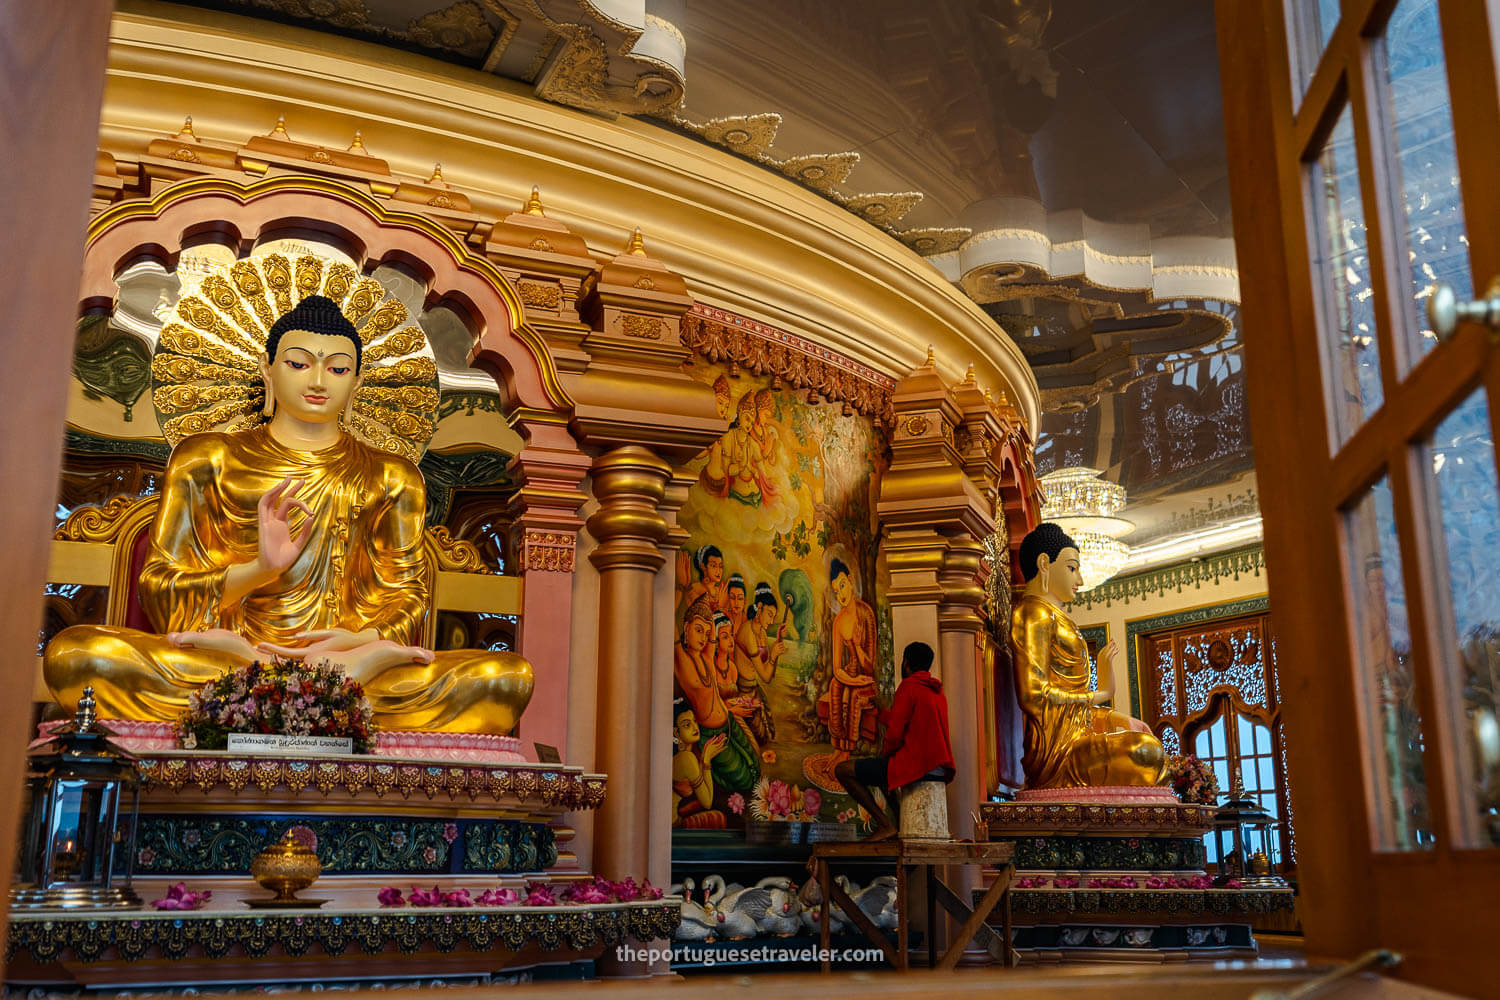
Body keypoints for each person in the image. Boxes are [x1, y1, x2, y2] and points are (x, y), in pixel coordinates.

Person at [43, 295, 533, 734]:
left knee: (503, 680)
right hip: (224, 657)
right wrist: (261, 569)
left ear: (359, 381)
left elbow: (404, 598)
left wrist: (359, 640)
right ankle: (298, 692)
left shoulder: (391, 476)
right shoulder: (207, 459)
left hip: (348, 661)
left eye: (339, 369)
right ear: (267, 367)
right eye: (299, 364)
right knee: (78, 657)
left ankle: (314, 689)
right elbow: (161, 593)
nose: (319, 381)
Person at [1011, 522, 1165, 787]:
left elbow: (1076, 711)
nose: (1080, 580)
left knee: (1150, 748)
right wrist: (1101, 694)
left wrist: (1119, 718)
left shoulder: (1059, 618)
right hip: (1056, 751)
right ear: (1044, 563)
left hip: (1077, 737)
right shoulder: (1033, 613)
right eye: (1072, 568)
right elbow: (1034, 696)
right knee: (1145, 753)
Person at [834, 641, 954, 842]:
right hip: (937, 765)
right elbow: (910, 723)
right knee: (884, 772)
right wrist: (882, 713)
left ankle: (885, 824)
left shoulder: (908, 687)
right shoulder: (936, 692)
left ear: (906, 663)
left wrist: (885, 755)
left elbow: (896, 734)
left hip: (918, 765)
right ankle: (899, 824)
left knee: (843, 770)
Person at [673, 596, 760, 792]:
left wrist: (713, 610)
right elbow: (674, 634)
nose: (703, 637)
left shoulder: (705, 657)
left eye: (706, 632)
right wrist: (678, 592)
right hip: (711, 733)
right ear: (686, 629)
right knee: (746, 781)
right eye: (698, 630)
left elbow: (712, 637)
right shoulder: (683, 662)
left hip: (728, 721)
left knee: (755, 763)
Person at [820, 558, 878, 761]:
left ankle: (847, 750)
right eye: (836, 591)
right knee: (836, 685)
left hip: (867, 679)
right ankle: (837, 747)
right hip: (852, 674)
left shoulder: (866, 613)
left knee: (853, 695)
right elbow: (837, 668)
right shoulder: (838, 621)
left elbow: (871, 668)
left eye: (842, 585)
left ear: (851, 580)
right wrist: (850, 679)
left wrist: (858, 645)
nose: (841, 594)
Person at [733, 582, 784, 744]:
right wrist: (774, 655)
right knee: (760, 740)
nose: (771, 620)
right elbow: (766, 675)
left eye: (774, 616)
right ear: (759, 608)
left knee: (766, 736)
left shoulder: (761, 631)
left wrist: (777, 640)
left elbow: (769, 671)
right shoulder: (748, 632)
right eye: (769, 614)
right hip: (743, 692)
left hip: (754, 688)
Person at [672, 701, 728, 829]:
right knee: (718, 817)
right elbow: (707, 802)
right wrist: (706, 759)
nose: (694, 727)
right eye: (687, 725)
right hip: (674, 824)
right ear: (676, 732)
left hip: (677, 814)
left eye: (695, 721)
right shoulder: (686, 759)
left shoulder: (688, 754)